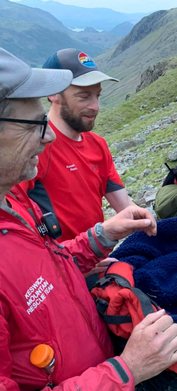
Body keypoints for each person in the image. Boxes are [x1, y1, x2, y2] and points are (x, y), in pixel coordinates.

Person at [0, 47, 177, 391]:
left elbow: (45, 265)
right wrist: (127, 369)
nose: (49, 136)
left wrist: (99, 237)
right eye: (34, 125)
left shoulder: (13, 206)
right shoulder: (23, 180)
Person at [18, 49, 133, 277]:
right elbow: (21, 238)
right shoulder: (33, 151)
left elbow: (127, 207)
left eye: (98, 96)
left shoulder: (98, 145)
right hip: (59, 271)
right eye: (84, 97)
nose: (95, 106)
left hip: (97, 260)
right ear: (53, 94)